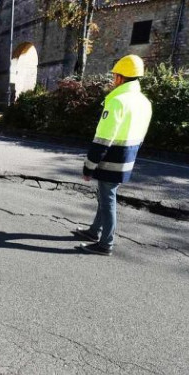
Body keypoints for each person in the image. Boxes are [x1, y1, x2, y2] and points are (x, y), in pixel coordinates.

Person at [75, 55, 153, 256]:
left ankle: (105, 244)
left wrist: (89, 167)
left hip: (111, 160)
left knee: (107, 200)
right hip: (128, 158)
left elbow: (103, 139)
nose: (113, 80)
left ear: (120, 78)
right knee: (104, 196)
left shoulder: (118, 101)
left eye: (115, 76)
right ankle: (94, 232)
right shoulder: (144, 102)